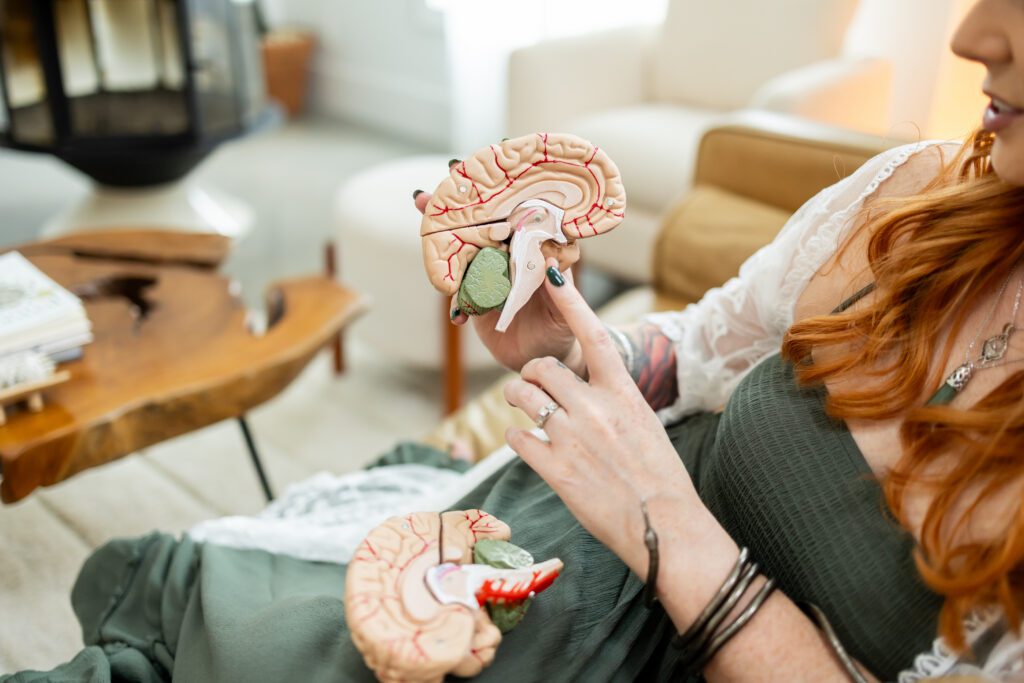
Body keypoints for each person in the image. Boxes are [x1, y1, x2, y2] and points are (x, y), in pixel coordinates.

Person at [6, 1, 1024, 681]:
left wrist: (659, 513)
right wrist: (575, 348)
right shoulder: (921, 195)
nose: (971, 32)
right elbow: (705, 345)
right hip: (559, 549)